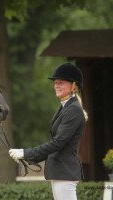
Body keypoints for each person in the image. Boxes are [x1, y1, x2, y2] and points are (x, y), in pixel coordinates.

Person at [9, 63, 88, 200]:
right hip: (59, 171)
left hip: (65, 171)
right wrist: (28, 157)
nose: (56, 85)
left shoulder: (73, 110)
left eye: (61, 83)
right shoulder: (65, 107)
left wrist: (25, 152)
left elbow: (58, 142)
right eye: (56, 83)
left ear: (74, 86)